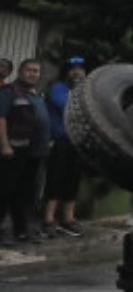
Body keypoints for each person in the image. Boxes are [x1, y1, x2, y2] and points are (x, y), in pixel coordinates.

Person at [0, 59, 51, 246]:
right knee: (5, 191)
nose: (33, 74)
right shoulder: (9, 92)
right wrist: (5, 145)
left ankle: (21, 230)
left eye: (36, 71)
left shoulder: (37, 94)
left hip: (33, 153)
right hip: (14, 151)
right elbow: (1, 119)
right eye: (29, 70)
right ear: (20, 72)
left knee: (24, 193)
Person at [42, 57, 87, 238]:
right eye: (72, 69)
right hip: (59, 141)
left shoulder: (85, 91)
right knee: (55, 178)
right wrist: (80, 91)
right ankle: (48, 219)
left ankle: (68, 219)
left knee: (73, 179)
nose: (77, 72)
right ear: (65, 72)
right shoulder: (58, 88)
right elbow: (66, 106)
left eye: (81, 69)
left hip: (78, 142)